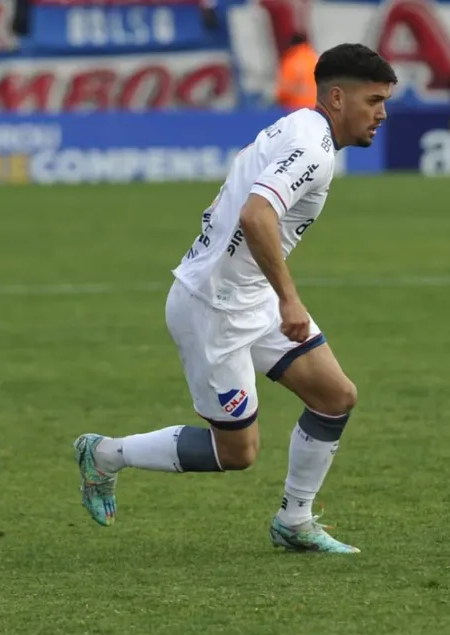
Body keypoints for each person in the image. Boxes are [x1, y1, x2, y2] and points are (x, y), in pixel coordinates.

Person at [73, 43, 398, 553]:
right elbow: (255, 215)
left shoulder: (296, 127)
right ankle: (105, 455)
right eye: (374, 100)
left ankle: (294, 521)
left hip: (249, 295)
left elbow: (237, 192)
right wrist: (289, 300)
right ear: (337, 97)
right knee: (237, 452)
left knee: (335, 397)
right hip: (214, 308)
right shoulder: (313, 149)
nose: (382, 114)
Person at [275, 33, 318, 112]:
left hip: (295, 109)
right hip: (315, 108)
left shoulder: (290, 61)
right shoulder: (315, 59)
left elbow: (282, 91)